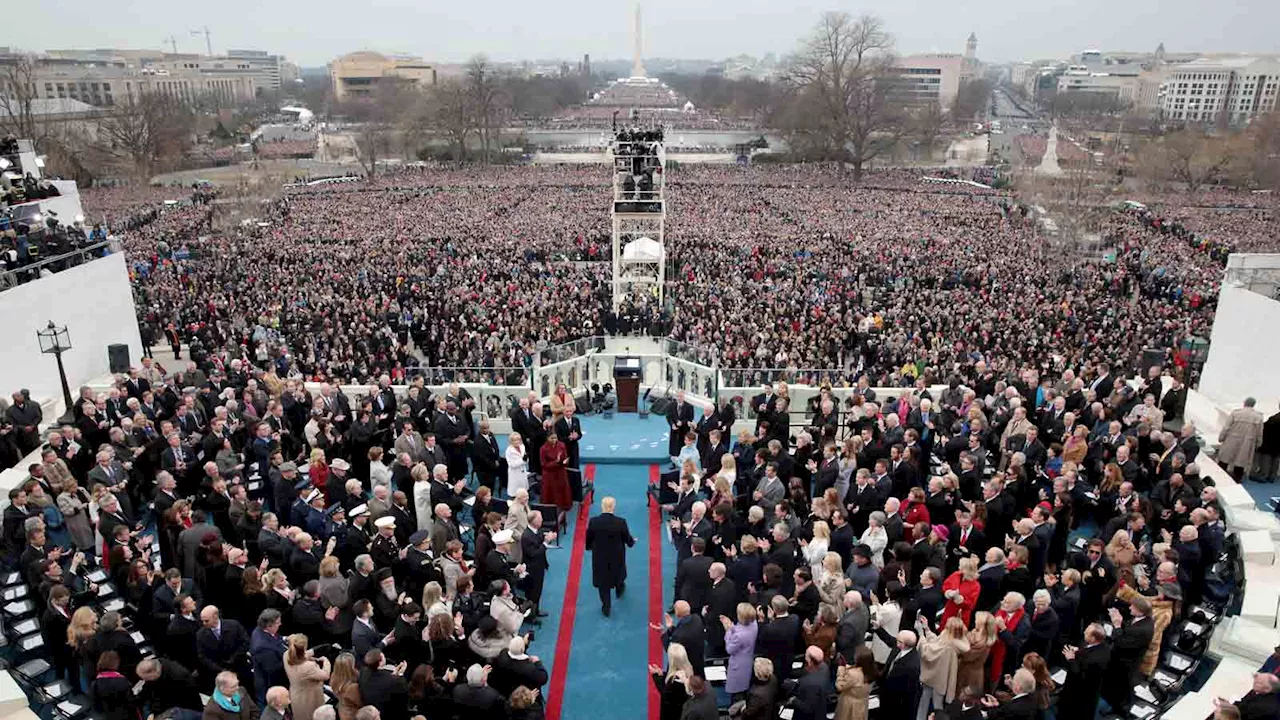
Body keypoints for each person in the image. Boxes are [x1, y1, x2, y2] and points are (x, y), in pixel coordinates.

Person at [585, 496, 635, 616]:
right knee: (618, 575)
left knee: (603, 583)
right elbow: (628, 540)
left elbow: (588, 540)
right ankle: (619, 590)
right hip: (616, 556)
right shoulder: (620, 522)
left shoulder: (594, 522)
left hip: (600, 557)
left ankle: (606, 607)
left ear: (602, 507)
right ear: (613, 507)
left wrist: (590, 547)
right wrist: (632, 542)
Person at [1059, 623, 1112, 720]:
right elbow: (1088, 650)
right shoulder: (1103, 646)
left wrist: (1071, 659)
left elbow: (1079, 674)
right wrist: (1079, 651)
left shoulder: (1094, 660)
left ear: (1093, 638)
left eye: (1087, 633)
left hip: (1080, 693)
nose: (1084, 632)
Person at [284, 633, 331, 720]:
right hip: (309, 698)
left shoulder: (286, 655)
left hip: (296, 696)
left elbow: (300, 656)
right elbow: (325, 675)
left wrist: (312, 652)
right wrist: (326, 661)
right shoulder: (308, 667)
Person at [1218, 397, 1264, 480]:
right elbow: (1259, 433)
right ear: (1253, 405)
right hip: (1247, 443)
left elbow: (1226, 427)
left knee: (1224, 460)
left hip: (1231, 441)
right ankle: (1237, 480)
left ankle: (1219, 478)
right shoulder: (1258, 417)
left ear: (1244, 403)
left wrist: (1221, 438)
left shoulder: (1235, 413)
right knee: (1240, 463)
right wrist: (1258, 444)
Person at [722, 603, 759, 698]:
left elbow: (729, 649)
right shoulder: (754, 625)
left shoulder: (739, 636)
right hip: (748, 661)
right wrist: (732, 627)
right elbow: (741, 630)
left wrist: (728, 631)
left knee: (737, 693)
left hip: (738, 666)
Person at [649, 642, 693, 720]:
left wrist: (655, 676)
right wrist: (662, 674)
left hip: (672, 713)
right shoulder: (689, 670)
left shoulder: (675, 680)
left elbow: (665, 692)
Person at [834, 646, 876, 720]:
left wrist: (840, 669)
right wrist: (846, 666)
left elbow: (840, 686)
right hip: (862, 704)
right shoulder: (872, 671)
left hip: (849, 706)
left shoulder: (853, 674)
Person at [792, 645, 834, 720]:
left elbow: (808, 708)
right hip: (821, 708)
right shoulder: (824, 667)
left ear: (810, 661)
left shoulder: (809, 683)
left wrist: (794, 700)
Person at [539, 432, 571, 511]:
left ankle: (563, 505)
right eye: (552, 438)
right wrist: (556, 462)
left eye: (555, 438)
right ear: (547, 438)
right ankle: (550, 508)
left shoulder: (561, 445)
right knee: (551, 491)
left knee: (562, 489)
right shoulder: (543, 448)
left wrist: (565, 461)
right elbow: (543, 464)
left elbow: (565, 457)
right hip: (549, 474)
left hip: (560, 472)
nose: (554, 440)